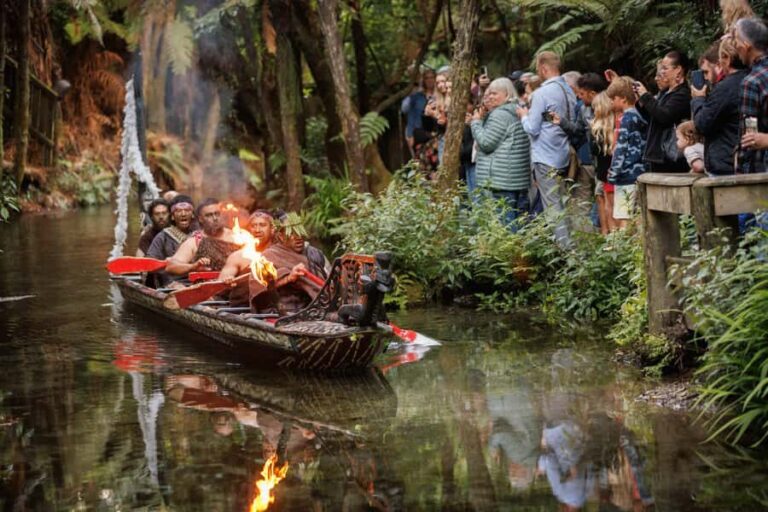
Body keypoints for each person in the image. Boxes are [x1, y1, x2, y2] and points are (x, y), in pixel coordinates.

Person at [516, 51, 577, 248]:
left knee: (553, 206)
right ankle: (570, 247)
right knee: (563, 203)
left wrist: (524, 115)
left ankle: (565, 252)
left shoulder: (542, 93)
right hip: (563, 154)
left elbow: (533, 128)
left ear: (543, 68)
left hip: (545, 156)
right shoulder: (568, 89)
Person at [471, 78, 531, 229]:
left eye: (494, 93)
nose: (490, 97)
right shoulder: (514, 111)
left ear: (507, 95)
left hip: (502, 179)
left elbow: (486, 143)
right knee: (517, 219)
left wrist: (476, 122)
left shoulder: (499, 115)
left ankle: (510, 252)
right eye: (488, 93)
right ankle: (519, 251)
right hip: (515, 178)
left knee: (506, 221)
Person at [554, 72, 609, 232]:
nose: (579, 97)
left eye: (582, 94)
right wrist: (559, 121)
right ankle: (586, 241)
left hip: (606, 164)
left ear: (593, 94)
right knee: (582, 204)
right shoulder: (582, 108)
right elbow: (578, 130)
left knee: (605, 202)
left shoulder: (610, 107)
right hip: (587, 162)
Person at [691, 38, 748, 175]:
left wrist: (698, 99)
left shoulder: (725, 88)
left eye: (706, 72)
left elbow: (703, 124)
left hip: (727, 166)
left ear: (723, 61)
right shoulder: (751, 78)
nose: (705, 78)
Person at [635, 50, 692, 172]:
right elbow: (653, 118)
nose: (661, 72)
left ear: (678, 70)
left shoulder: (683, 94)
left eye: (665, 68)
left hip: (671, 158)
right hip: (658, 157)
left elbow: (664, 116)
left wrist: (646, 96)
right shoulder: (665, 93)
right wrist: (641, 102)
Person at [607, 77, 648, 228]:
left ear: (623, 99)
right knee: (638, 216)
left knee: (625, 217)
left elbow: (621, 148)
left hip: (625, 175)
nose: (611, 102)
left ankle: (626, 249)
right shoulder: (640, 116)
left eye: (613, 98)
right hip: (640, 172)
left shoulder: (626, 119)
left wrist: (613, 173)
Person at [165, 199, 239, 277]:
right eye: (209, 215)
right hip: (210, 287)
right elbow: (171, 266)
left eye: (217, 214)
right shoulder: (195, 242)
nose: (215, 218)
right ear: (200, 219)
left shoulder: (237, 236)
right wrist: (193, 266)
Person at [734, 17, 768, 172]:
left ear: (746, 46)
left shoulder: (752, 82)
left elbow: (749, 138)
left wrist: (741, 172)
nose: (734, 46)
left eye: (736, 41)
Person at [146, 195, 197, 288]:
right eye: (178, 211)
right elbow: (150, 262)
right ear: (172, 216)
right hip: (172, 282)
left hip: (198, 280)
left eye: (187, 210)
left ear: (193, 214)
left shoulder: (199, 234)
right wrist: (167, 265)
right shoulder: (162, 237)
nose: (183, 214)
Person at [588, 91, 617, 234]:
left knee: (603, 202)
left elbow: (593, 150)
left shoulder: (597, 129)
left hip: (603, 173)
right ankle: (616, 235)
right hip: (615, 171)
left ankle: (606, 233)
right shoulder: (618, 123)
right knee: (615, 205)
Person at [401, 68, 436, 156]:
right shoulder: (417, 97)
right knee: (422, 163)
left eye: (432, 77)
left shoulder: (441, 95)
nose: (429, 80)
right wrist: (409, 134)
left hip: (437, 134)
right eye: (427, 78)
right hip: (420, 133)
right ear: (423, 80)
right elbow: (408, 113)